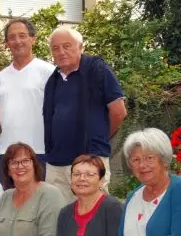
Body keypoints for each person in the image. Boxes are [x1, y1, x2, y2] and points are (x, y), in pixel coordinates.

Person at [43, 27, 127, 200]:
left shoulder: (97, 70)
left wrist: (99, 137)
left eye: (67, 46)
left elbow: (119, 112)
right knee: (60, 217)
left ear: (80, 47)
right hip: (57, 163)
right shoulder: (53, 80)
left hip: (90, 160)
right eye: (56, 48)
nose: (61, 52)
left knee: (93, 214)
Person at [0, 18, 55, 186]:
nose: (17, 41)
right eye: (12, 37)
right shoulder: (0, 77)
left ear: (33, 39)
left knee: (41, 206)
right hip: (7, 154)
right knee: (11, 205)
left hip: (40, 152)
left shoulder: (48, 72)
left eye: (22, 36)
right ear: (6, 43)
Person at [55, 155, 123, 236]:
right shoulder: (65, 213)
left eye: (89, 174)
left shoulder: (113, 208)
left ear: (101, 180)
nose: (82, 179)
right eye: (76, 174)